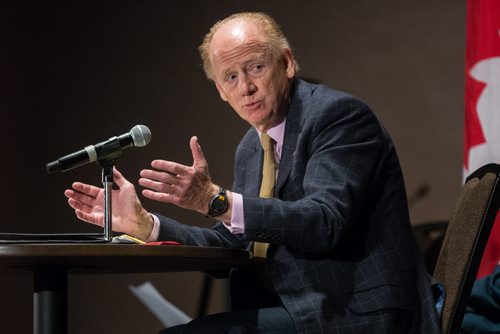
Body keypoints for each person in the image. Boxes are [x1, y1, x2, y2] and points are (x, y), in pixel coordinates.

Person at [64, 12, 440, 333]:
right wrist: (146, 225)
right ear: (219, 91)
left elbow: (324, 221)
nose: (246, 87)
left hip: (357, 312)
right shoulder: (251, 147)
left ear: (288, 62)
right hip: (297, 307)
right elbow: (234, 245)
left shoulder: (338, 117)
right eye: (230, 77)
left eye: (256, 68)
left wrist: (215, 200)